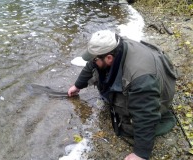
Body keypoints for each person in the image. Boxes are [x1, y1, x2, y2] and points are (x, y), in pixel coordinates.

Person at [68, 30, 177, 160]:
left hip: (155, 92)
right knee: (100, 69)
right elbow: (92, 64)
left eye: (95, 58)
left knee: (129, 127)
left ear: (109, 58)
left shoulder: (141, 79)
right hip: (147, 80)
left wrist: (141, 153)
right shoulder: (116, 44)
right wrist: (77, 86)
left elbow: (145, 115)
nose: (92, 61)